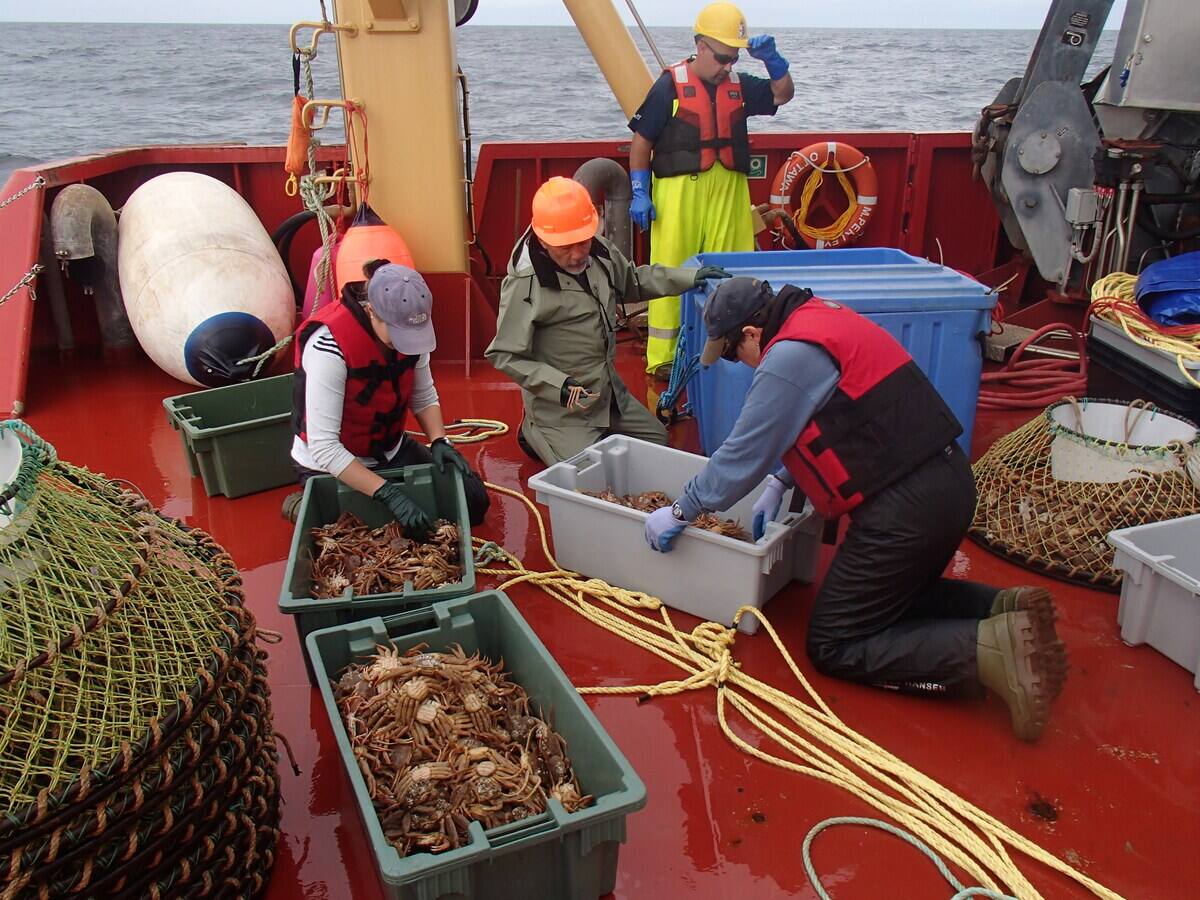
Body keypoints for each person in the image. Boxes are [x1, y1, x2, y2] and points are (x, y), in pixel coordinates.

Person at [643, 277, 1069, 742]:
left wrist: (681, 512)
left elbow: (743, 454)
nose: (738, 363)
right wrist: (782, 480)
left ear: (750, 333)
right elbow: (846, 414)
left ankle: (988, 653)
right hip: (946, 482)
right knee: (889, 601)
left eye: (730, 352)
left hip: (905, 509)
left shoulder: (787, 356)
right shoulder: (820, 318)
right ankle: (1004, 609)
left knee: (835, 642)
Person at [485, 176, 730, 465]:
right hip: (565, 407)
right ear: (543, 239)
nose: (577, 254)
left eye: (582, 241)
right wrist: (557, 385)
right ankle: (535, 430)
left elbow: (633, 281)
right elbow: (504, 353)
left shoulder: (598, 250)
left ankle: (599, 427)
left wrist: (689, 277)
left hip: (608, 392)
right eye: (565, 246)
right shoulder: (524, 285)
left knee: (657, 444)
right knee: (584, 474)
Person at [627, 1, 795, 377]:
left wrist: (774, 63)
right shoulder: (669, 84)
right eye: (721, 57)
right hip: (678, 193)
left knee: (732, 272)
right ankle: (664, 360)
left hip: (730, 190)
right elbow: (641, 142)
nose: (726, 66)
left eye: (733, 58)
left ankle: (732, 352)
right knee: (670, 273)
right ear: (700, 45)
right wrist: (640, 190)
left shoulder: (740, 86)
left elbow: (782, 95)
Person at [286, 260, 490, 535]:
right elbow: (324, 448)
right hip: (330, 463)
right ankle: (301, 506)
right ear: (372, 312)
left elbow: (423, 395)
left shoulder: (412, 332)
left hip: (390, 450)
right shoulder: (328, 346)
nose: (406, 341)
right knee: (370, 534)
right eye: (398, 333)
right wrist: (389, 494)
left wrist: (440, 441)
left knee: (474, 500)